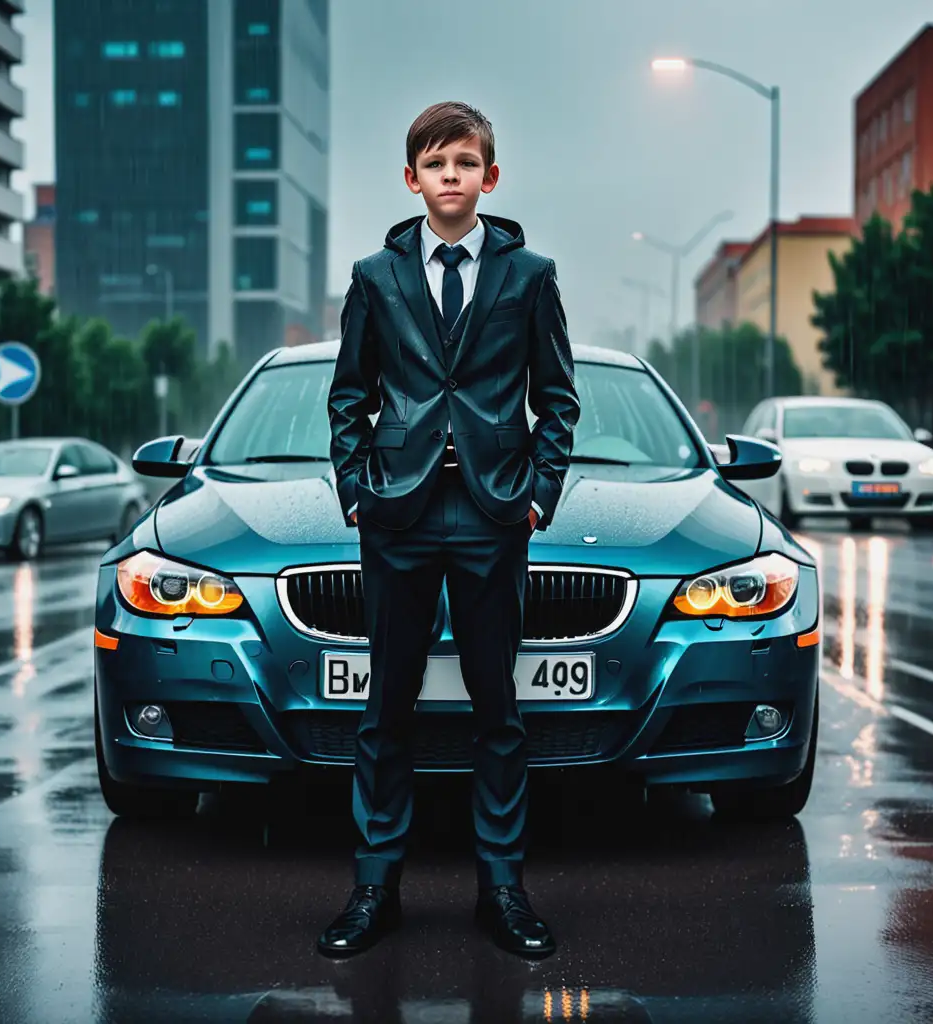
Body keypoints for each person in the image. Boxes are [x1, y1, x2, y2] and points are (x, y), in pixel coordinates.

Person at [322, 101, 580, 959]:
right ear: (412, 180)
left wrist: (538, 494)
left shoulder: (530, 273)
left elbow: (559, 400)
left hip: (494, 510)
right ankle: (374, 888)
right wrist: (355, 490)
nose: (451, 178)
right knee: (385, 705)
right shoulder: (375, 275)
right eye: (436, 165)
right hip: (395, 511)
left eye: (465, 163)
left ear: (489, 178)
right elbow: (349, 396)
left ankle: (502, 889)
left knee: (496, 707)